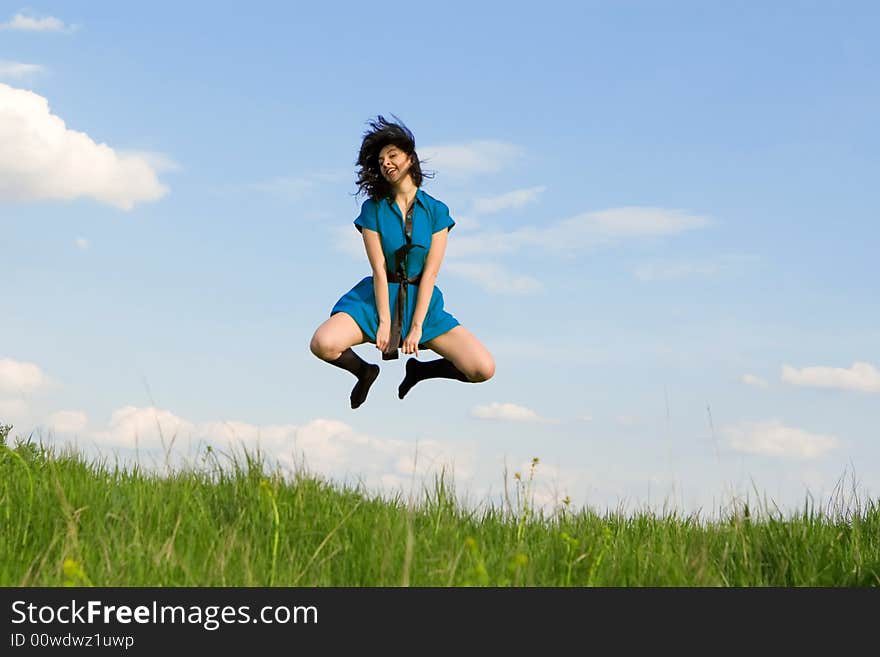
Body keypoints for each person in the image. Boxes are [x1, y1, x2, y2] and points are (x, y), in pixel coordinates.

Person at [309, 115, 495, 409]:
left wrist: (418, 327)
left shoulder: (437, 211)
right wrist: (384, 322)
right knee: (323, 343)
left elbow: (431, 274)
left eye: (392, 155)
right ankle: (365, 372)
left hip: (421, 302)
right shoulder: (373, 210)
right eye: (381, 160)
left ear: (410, 159)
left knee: (482, 369)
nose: (385, 163)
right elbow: (379, 270)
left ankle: (421, 371)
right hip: (377, 299)